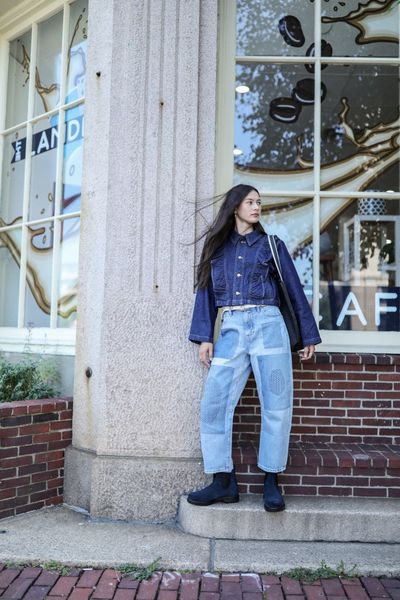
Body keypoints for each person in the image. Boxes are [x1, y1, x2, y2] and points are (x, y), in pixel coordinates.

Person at [187, 183, 322, 512]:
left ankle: (271, 481)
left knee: (276, 405)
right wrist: (205, 337)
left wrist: (308, 336)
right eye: (250, 202)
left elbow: (294, 289)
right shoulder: (216, 249)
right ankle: (223, 481)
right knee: (214, 404)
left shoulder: (271, 245)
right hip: (231, 330)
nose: (257, 207)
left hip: (269, 328)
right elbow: (204, 293)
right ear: (235, 207)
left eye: (259, 202)